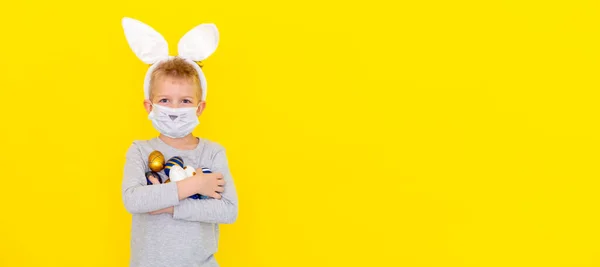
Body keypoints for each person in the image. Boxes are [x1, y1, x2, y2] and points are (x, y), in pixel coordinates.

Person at [120, 17, 238, 267]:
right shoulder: (140, 151)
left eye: (185, 101)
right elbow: (134, 200)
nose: (174, 108)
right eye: (164, 100)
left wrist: (170, 207)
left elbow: (228, 210)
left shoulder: (212, 153)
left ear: (199, 107)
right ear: (148, 105)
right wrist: (196, 185)